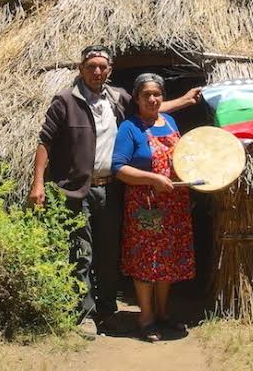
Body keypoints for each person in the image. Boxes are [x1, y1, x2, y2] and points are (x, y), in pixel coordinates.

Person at [28, 46, 201, 339]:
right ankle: (85, 315)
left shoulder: (117, 97)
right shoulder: (66, 101)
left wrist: (184, 101)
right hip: (77, 189)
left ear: (109, 70)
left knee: (108, 255)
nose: (97, 72)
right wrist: (38, 182)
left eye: (102, 67)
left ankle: (107, 312)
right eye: (91, 66)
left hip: (110, 190)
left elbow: (150, 108)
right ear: (81, 68)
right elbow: (45, 141)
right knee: (81, 253)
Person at [111, 73, 195, 342]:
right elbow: (119, 168)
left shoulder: (169, 121)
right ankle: (145, 318)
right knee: (146, 260)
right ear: (136, 98)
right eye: (146, 94)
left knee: (167, 259)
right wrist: (153, 179)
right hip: (146, 205)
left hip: (173, 205)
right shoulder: (130, 128)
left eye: (157, 94)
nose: (152, 99)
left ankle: (162, 313)